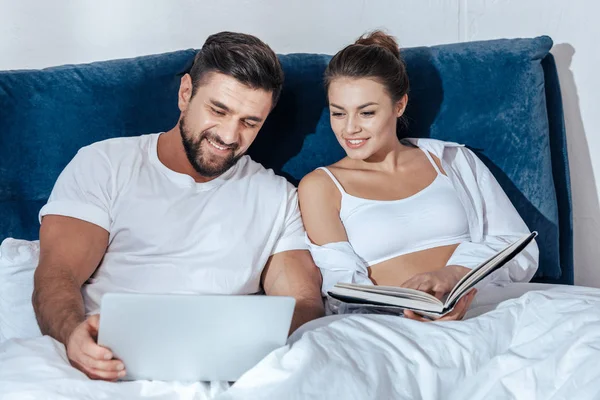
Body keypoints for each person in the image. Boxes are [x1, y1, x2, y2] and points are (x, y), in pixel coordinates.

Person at [32, 31, 325, 381]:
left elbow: (304, 303)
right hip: (107, 361)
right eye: (219, 110)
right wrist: (72, 335)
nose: (230, 136)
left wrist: (242, 347)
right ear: (186, 93)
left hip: (224, 370)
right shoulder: (105, 164)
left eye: (250, 122)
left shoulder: (278, 197)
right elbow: (56, 274)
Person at [298, 31, 538, 322]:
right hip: (392, 324)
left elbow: (517, 245)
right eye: (338, 114)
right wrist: (406, 311)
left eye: (367, 113)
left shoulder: (453, 161)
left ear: (399, 105)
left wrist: (456, 275)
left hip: (484, 307)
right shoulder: (320, 186)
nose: (350, 129)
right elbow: (340, 287)